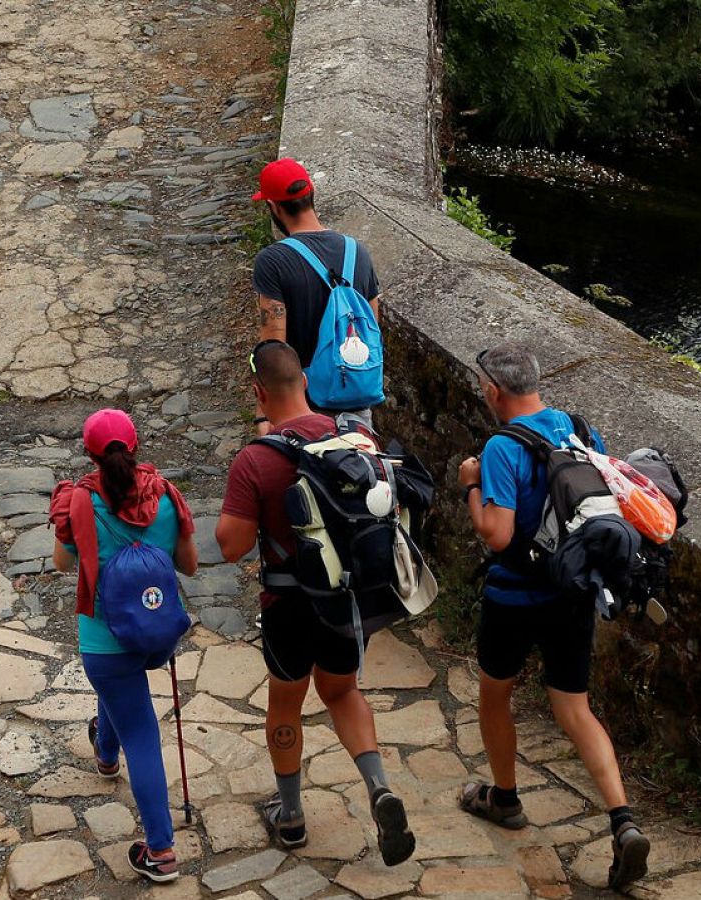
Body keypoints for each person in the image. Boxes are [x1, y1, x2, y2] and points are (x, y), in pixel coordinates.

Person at [457, 343, 651, 892]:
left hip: (515, 597)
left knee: (496, 692)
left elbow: (496, 533)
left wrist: (471, 483)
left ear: (494, 390)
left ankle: (505, 798)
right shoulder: (578, 429)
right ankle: (623, 820)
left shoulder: (500, 446)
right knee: (574, 706)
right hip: (573, 593)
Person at [214, 340, 415, 865]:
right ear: (305, 379)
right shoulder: (354, 438)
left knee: (286, 701)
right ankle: (379, 790)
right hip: (346, 598)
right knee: (343, 692)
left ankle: (292, 816)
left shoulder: (256, 460)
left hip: (287, 602)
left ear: (258, 392)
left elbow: (231, 546)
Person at [50, 409, 199, 884]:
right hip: (155, 635)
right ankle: (105, 754)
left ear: (90, 455)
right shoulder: (166, 497)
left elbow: (59, 563)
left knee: (141, 729)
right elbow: (191, 566)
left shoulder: (80, 503)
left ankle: (160, 851)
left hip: (105, 642)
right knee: (122, 696)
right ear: (136, 449)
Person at [251, 158, 383, 435]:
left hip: (301, 408)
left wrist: (264, 416)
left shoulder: (273, 260)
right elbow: (372, 327)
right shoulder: (357, 251)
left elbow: (274, 344)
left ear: (273, 207)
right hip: (355, 398)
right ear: (312, 195)